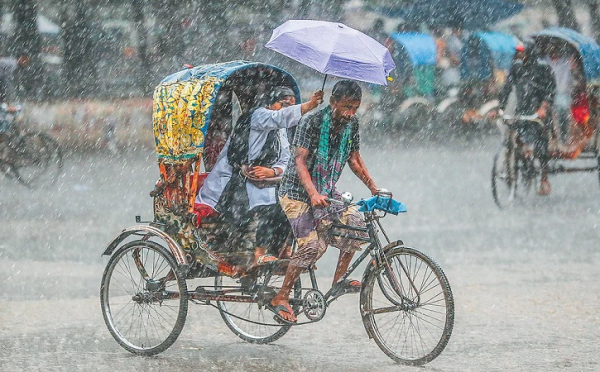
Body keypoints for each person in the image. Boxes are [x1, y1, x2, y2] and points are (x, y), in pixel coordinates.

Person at [269, 80, 379, 323]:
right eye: (346, 107)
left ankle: (338, 279)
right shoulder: (312, 122)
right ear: (333, 102)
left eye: (355, 108)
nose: (350, 113)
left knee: (356, 225)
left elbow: (354, 158)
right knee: (313, 247)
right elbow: (299, 160)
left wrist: (373, 187)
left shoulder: (352, 124)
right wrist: (312, 194)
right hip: (296, 192)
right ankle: (281, 296)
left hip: (326, 190)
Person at [195, 86, 323, 270]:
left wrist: (272, 172)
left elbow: (285, 159)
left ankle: (284, 249)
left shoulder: (279, 129)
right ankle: (259, 254)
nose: (287, 109)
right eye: (283, 104)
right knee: (268, 206)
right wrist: (310, 104)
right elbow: (280, 117)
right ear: (271, 104)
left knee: (289, 202)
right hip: (234, 178)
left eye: (291, 106)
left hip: (262, 180)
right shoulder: (259, 116)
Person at [499, 41, 556, 195]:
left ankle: (544, 179)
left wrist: (543, 107)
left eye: (521, 52)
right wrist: (499, 107)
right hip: (522, 111)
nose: (518, 55)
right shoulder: (516, 68)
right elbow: (507, 88)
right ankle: (514, 166)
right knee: (514, 137)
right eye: (517, 52)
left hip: (539, 114)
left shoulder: (543, 69)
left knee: (541, 144)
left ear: (529, 53)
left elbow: (550, 91)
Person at [544, 43, 576, 142]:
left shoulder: (565, 62)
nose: (554, 54)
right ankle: (554, 136)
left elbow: (571, 67)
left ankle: (563, 137)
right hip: (550, 93)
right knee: (552, 116)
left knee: (562, 116)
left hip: (563, 93)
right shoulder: (545, 62)